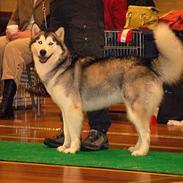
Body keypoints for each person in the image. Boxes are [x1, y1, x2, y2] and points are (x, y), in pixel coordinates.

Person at [43, 0, 127, 150]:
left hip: (85, 7)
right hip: (59, 6)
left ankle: (98, 131)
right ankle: (69, 132)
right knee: (62, 66)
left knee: (91, 72)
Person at [0, 0, 50, 119]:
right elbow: (14, 18)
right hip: (20, 34)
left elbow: (52, 25)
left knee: (13, 48)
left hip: (41, 39)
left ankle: (7, 104)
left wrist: (29, 34)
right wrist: (9, 30)